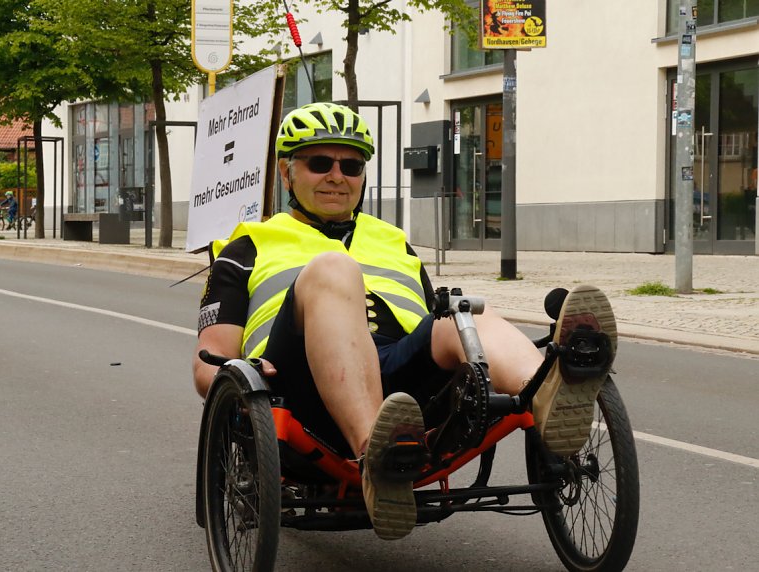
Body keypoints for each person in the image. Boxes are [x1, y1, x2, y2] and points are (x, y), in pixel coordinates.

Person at [193, 102, 617, 541]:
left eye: (351, 166)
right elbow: (209, 362)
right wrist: (240, 373)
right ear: (286, 174)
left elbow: (432, 319)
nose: (337, 176)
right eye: (320, 163)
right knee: (333, 268)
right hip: (298, 383)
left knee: (460, 313)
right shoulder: (247, 246)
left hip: (399, 381)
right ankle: (375, 458)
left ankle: (547, 394)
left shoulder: (394, 241)